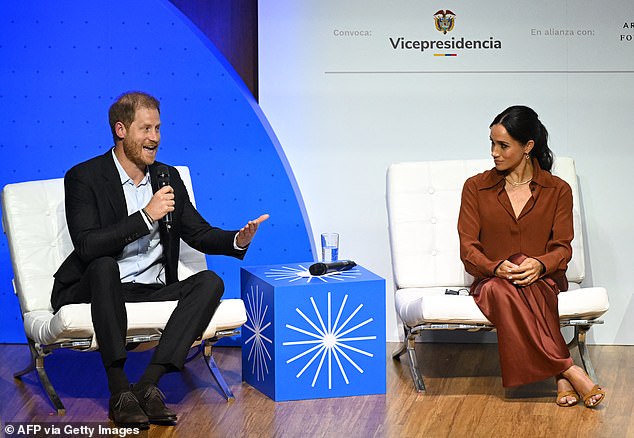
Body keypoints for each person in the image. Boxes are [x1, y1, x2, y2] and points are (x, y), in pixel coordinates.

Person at [51, 91, 269, 428]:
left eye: (158, 129)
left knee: (210, 282)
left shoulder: (166, 176)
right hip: (96, 286)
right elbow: (87, 245)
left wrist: (237, 239)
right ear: (121, 130)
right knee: (104, 265)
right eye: (146, 129)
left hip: (147, 287)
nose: (155, 138)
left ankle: (150, 384)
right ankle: (119, 390)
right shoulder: (85, 177)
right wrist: (146, 216)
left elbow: (197, 232)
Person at [457, 105, 605, 408]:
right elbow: (468, 248)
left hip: (544, 281)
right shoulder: (475, 187)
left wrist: (539, 264)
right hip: (491, 282)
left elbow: (562, 248)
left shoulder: (557, 190)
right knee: (502, 287)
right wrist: (497, 268)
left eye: (503, 145)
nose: (494, 152)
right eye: (492, 143)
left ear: (528, 147)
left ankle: (561, 374)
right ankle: (567, 369)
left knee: (530, 277)